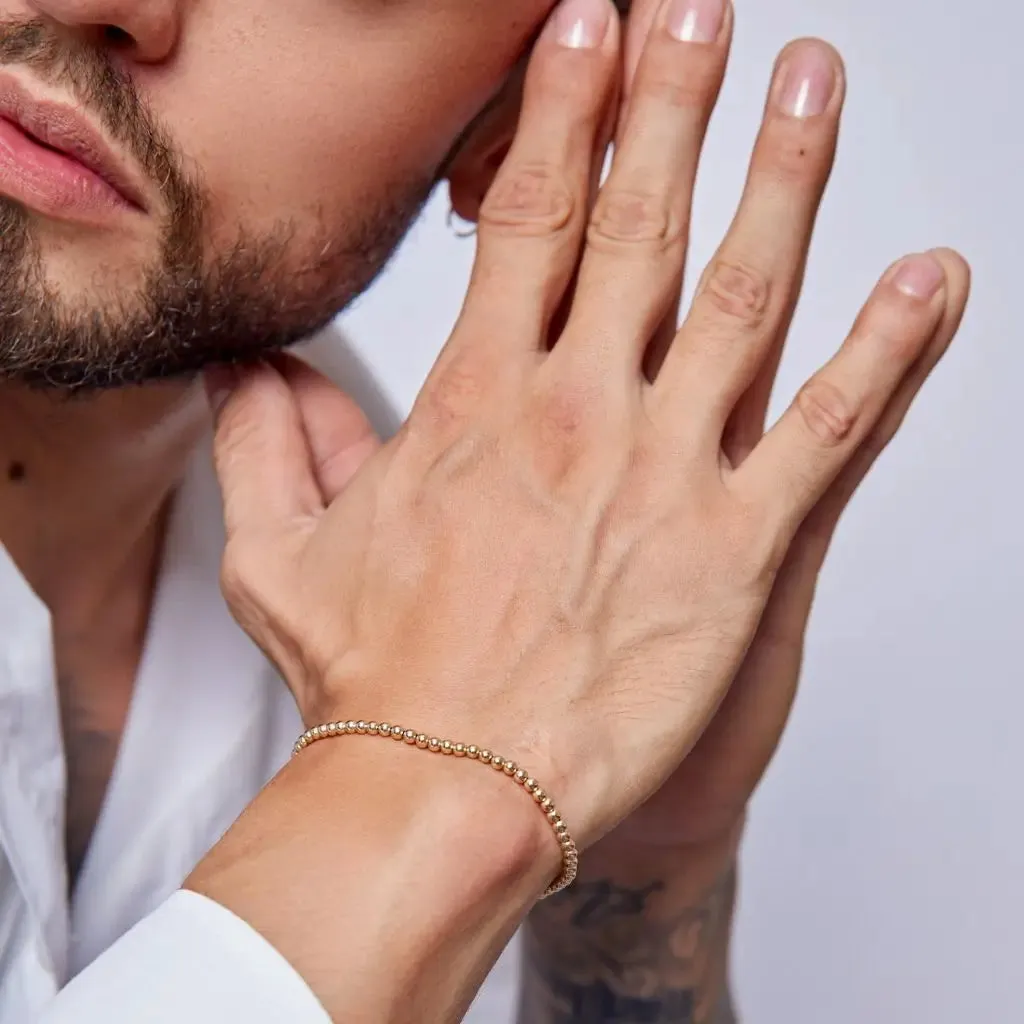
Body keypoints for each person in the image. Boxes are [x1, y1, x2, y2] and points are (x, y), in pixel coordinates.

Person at [0, 0, 969, 1020]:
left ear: (505, 122)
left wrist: (634, 871)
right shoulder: (432, 710)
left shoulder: (426, 562)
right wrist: (430, 805)